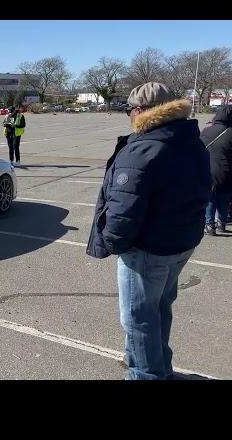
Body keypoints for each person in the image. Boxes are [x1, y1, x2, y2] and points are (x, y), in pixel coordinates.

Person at [86, 82, 211, 380]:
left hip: (147, 249)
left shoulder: (142, 148)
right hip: (181, 243)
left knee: (139, 319)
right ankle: (161, 369)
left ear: (141, 111)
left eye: (129, 110)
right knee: (159, 309)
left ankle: (146, 374)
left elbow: (123, 209)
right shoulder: (191, 141)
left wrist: (112, 242)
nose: (128, 116)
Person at [200, 104, 232, 235]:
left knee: (210, 199)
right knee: (224, 198)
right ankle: (221, 223)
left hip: (210, 170)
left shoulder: (206, 131)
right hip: (228, 171)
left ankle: (209, 224)